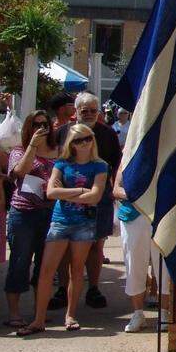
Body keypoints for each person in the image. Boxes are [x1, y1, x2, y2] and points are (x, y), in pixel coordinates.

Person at [19, 123, 108, 335]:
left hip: (84, 223)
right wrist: (80, 190)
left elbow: (95, 196)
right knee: (46, 271)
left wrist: (65, 192)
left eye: (87, 138)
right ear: (71, 143)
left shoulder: (100, 165)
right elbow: (50, 192)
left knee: (77, 270)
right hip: (61, 220)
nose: (84, 143)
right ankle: (38, 319)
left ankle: (71, 314)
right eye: (78, 140)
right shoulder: (62, 163)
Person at [51, 92, 122, 311]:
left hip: (98, 200)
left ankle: (93, 288)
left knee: (96, 245)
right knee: (63, 248)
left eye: (93, 110)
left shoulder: (108, 134)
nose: (89, 114)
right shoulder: (62, 133)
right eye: (85, 110)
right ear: (76, 111)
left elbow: (116, 165)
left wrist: (113, 191)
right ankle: (63, 289)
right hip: (67, 200)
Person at [3, 110, 59, 329]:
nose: (41, 128)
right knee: (19, 262)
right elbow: (19, 172)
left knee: (45, 266)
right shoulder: (19, 151)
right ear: (29, 127)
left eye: (44, 124)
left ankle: (39, 313)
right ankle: (14, 313)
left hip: (49, 213)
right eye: (36, 124)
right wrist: (33, 147)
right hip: (23, 214)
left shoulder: (57, 151)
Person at [112, 169, 170, 332]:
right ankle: (138, 313)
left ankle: (164, 312)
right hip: (132, 217)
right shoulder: (128, 158)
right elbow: (116, 189)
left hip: (161, 216)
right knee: (134, 265)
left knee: (163, 265)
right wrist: (136, 195)